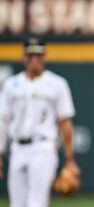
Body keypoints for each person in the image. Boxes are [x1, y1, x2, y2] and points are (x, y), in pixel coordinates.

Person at [0, 37, 79, 207]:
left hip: (42, 148)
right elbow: (3, 121)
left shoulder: (57, 84)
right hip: (17, 148)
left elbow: (65, 122)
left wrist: (69, 158)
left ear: (45, 57)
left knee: (36, 203)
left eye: (38, 55)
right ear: (24, 57)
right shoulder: (11, 84)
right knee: (16, 204)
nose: (34, 59)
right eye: (31, 55)